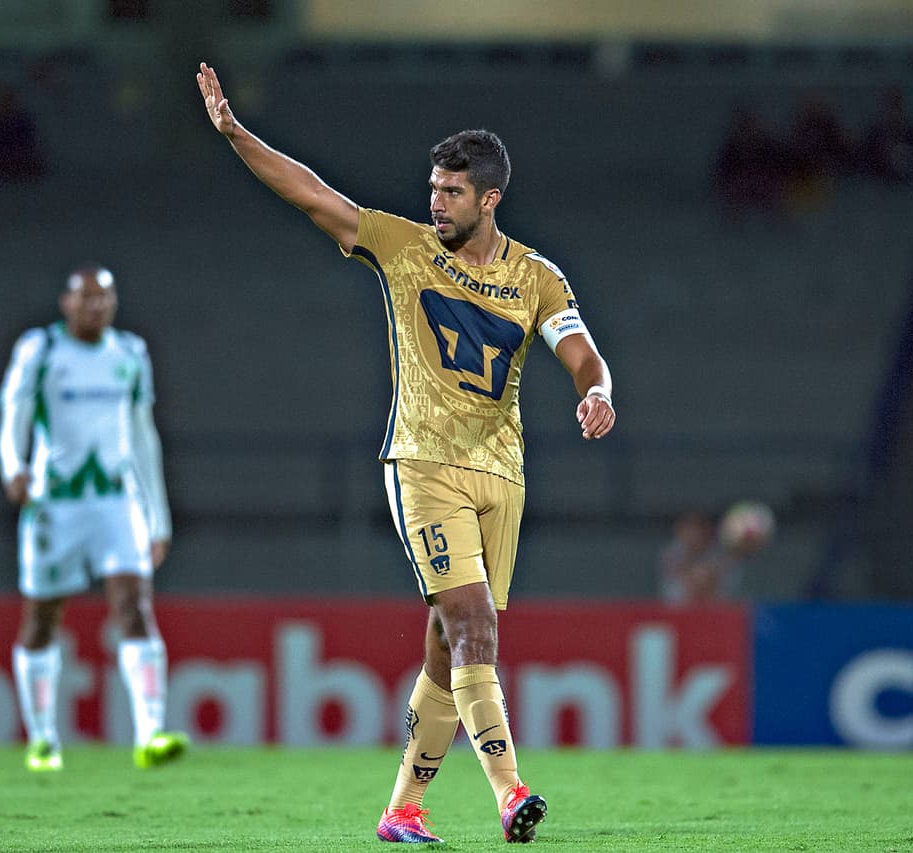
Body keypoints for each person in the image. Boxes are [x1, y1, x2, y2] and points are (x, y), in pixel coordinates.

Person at [196, 63, 616, 844]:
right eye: (433, 188)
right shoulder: (402, 246)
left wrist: (597, 390)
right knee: (474, 625)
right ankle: (509, 792)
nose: (436, 202)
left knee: (448, 644)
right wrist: (234, 134)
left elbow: (581, 351)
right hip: (422, 463)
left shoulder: (537, 276)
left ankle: (401, 810)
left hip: (504, 473)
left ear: (490, 198)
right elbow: (313, 194)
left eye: (452, 192)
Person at [0, 265, 186, 772]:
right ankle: (42, 739)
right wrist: (13, 467)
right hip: (53, 502)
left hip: (116, 502)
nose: (95, 306)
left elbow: (144, 434)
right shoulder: (42, 351)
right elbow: (12, 413)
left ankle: (150, 733)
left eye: (104, 298)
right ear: (67, 302)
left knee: (134, 604)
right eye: (86, 298)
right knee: (42, 619)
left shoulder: (129, 354)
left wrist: (158, 517)